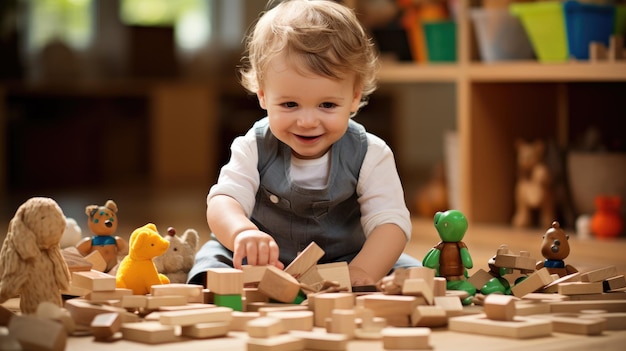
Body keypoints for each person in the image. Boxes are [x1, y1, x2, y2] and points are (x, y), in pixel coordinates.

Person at [188, 0, 420, 288]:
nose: (308, 121)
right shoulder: (253, 146)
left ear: (355, 97)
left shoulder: (370, 153)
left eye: (326, 104)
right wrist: (241, 233)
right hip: (263, 262)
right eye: (289, 104)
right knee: (212, 260)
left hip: (345, 259)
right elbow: (224, 201)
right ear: (262, 95)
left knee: (405, 269)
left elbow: (391, 224)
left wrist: (363, 271)